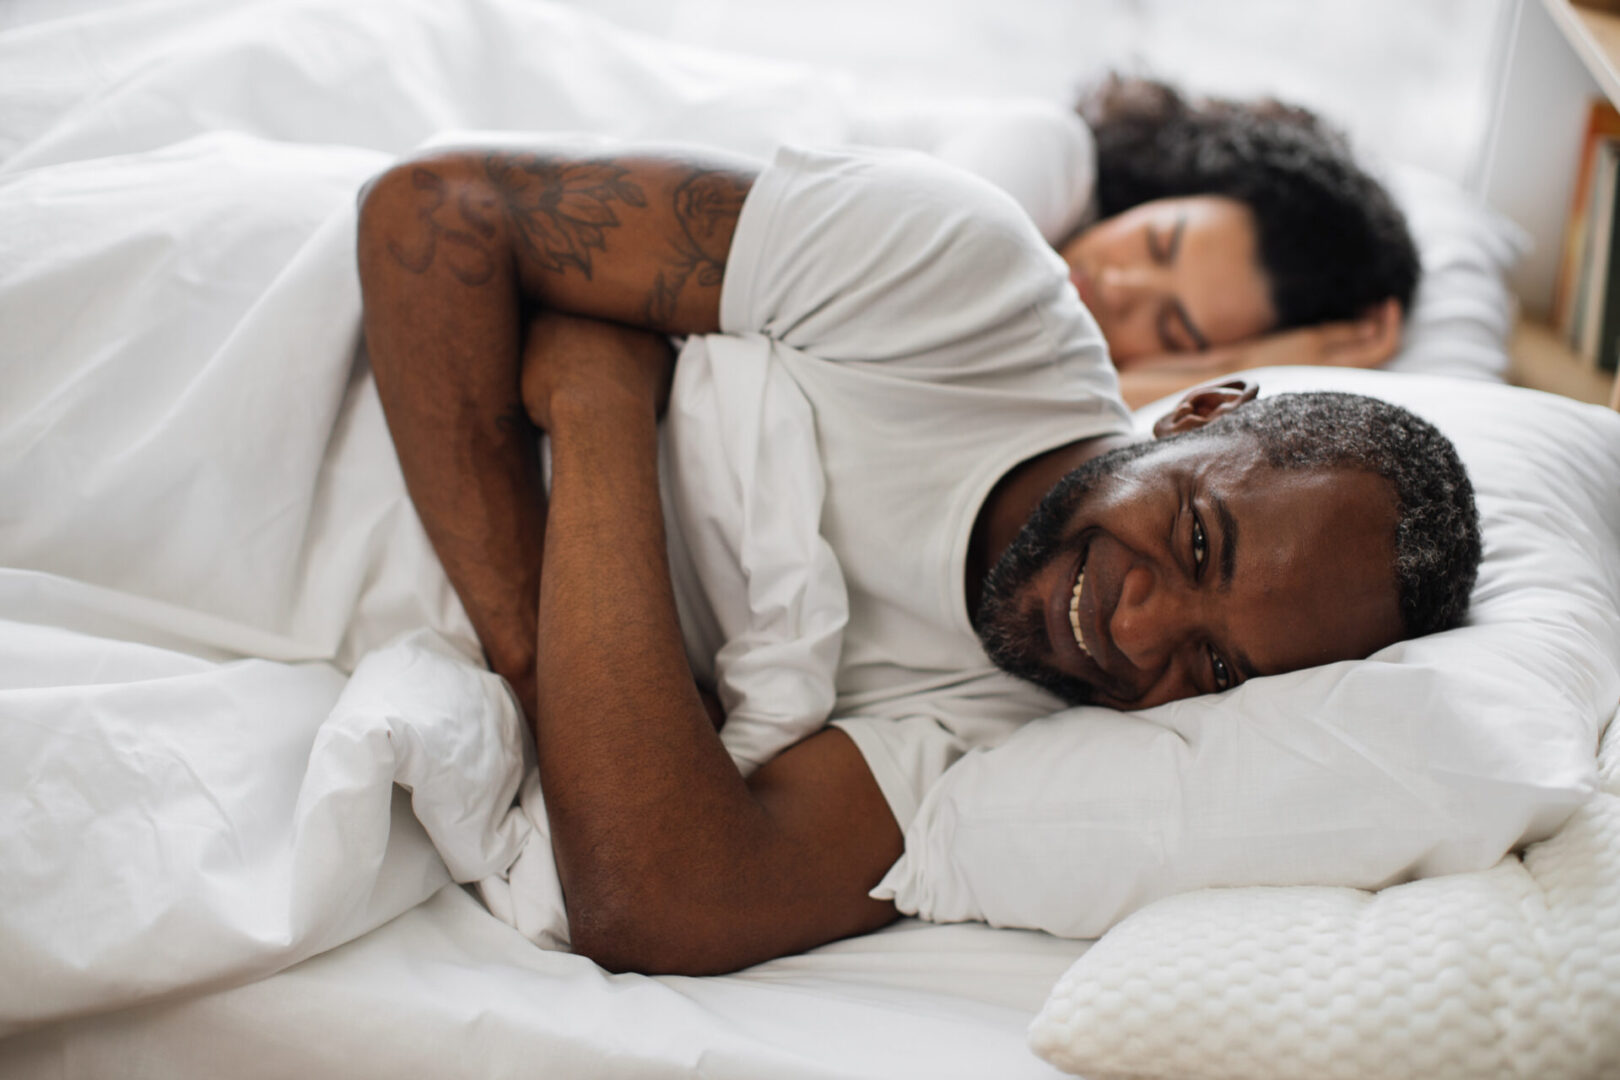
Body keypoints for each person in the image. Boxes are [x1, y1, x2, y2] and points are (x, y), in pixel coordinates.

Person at [356, 135, 1479, 975]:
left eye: (1218, 667)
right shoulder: (967, 285)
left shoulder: (1010, 743)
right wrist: (552, 667)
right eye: (1196, 538)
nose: (1140, 631)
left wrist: (601, 410)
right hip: (287, 340)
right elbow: (436, 211)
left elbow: (655, 901)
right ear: (1198, 413)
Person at [930, 75, 1420, 407]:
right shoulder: (1046, 155)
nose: (1120, 286)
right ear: (1161, 192)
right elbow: (937, 381)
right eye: (1158, 240)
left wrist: (1246, 369)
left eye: (1171, 330)